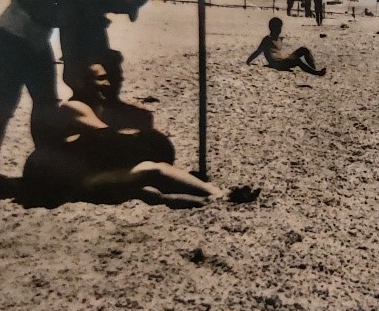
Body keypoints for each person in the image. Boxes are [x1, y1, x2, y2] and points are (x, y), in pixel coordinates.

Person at [24, 61, 258, 208]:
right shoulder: (74, 107)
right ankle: (221, 194)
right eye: (100, 79)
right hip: (59, 179)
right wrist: (145, 138)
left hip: (79, 175)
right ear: (80, 83)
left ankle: (202, 200)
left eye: (107, 78)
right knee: (151, 170)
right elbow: (111, 139)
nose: (107, 84)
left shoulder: (92, 106)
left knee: (147, 190)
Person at [0, 0, 63, 178]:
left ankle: (43, 161)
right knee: (5, 102)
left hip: (30, 36)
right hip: (14, 33)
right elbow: (48, 12)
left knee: (46, 101)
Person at [246, 17, 327, 75]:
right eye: (278, 28)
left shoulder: (279, 39)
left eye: (280, 28)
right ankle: (316, 73)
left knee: (304, 49)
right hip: (276, 63)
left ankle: (314, 69)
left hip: (283, 60)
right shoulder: (267, 39)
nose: (280, 30)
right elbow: (258, 51)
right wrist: (248, 61)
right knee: (297, 60)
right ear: (272, 28)